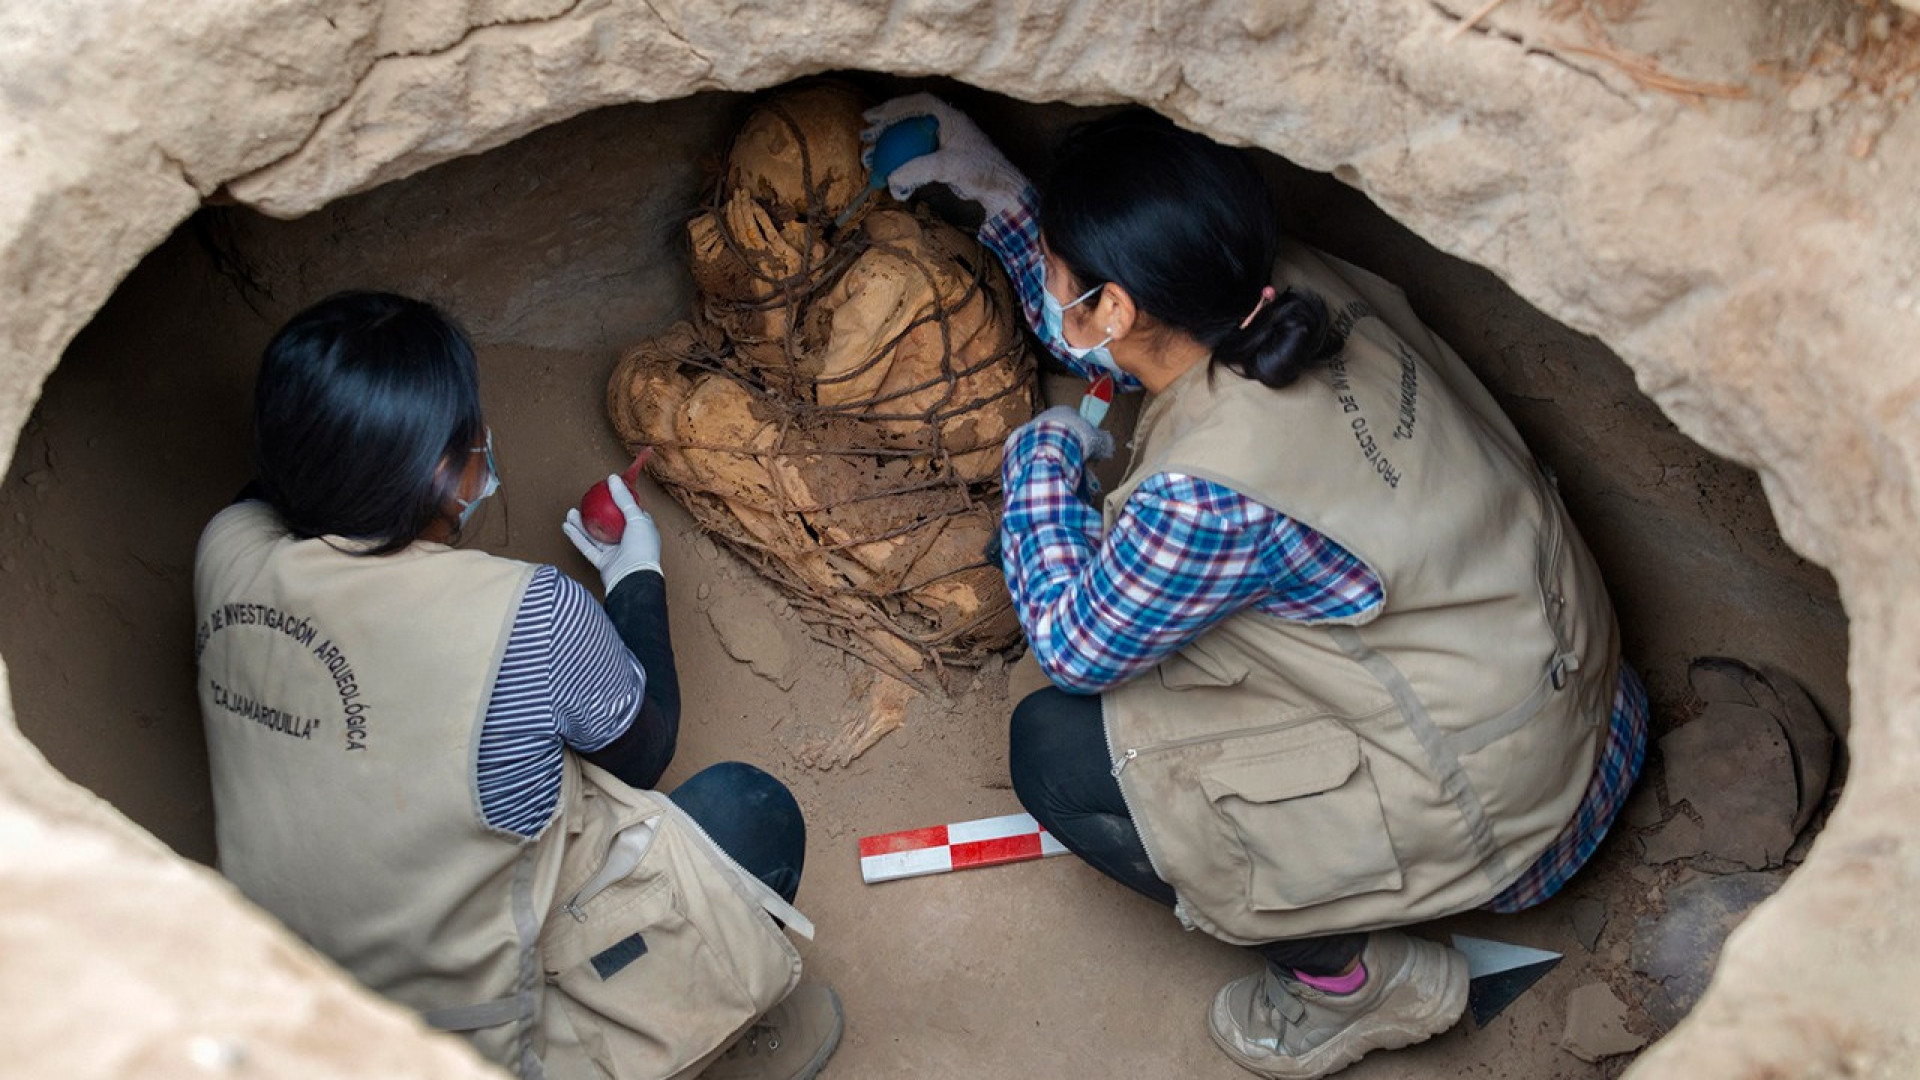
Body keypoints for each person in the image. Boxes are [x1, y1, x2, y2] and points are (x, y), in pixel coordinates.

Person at [863, 97, 1649, 1079]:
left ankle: (1349, 983)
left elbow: (1072, 643)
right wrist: (996, 192)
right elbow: (1120, 338)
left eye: (1063, 272)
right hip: (1575, 683)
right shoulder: (1278, 281)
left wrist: (1035, 469)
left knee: (1057, 749)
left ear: (1113, 303)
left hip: (1514, 810)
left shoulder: (1205, 495)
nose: (1059, 287)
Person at [191, 292, 842, 1080]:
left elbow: (267, 496)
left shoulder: (226, 551)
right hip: (468, 1050)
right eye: (470, 443)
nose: (483, 451)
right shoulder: (527, 614)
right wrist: (633, 572)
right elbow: (643, 751)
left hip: (291, 1021)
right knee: (747, 813)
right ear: (437, 476)